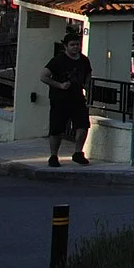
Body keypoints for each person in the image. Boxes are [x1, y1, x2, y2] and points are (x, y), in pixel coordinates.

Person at [42, 30, 93, 167]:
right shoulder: (58, 61)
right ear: (66, 46)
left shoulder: (83, 60)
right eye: (72, 45)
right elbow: (44, 76)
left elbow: (88, 73)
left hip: (77, 98)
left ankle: (78, 153)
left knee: (83, 125)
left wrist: (86, 85)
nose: (75, 47)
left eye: (77, 44)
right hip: (59, 99)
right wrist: (60, 85)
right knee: (56, 129)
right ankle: (53, 156)